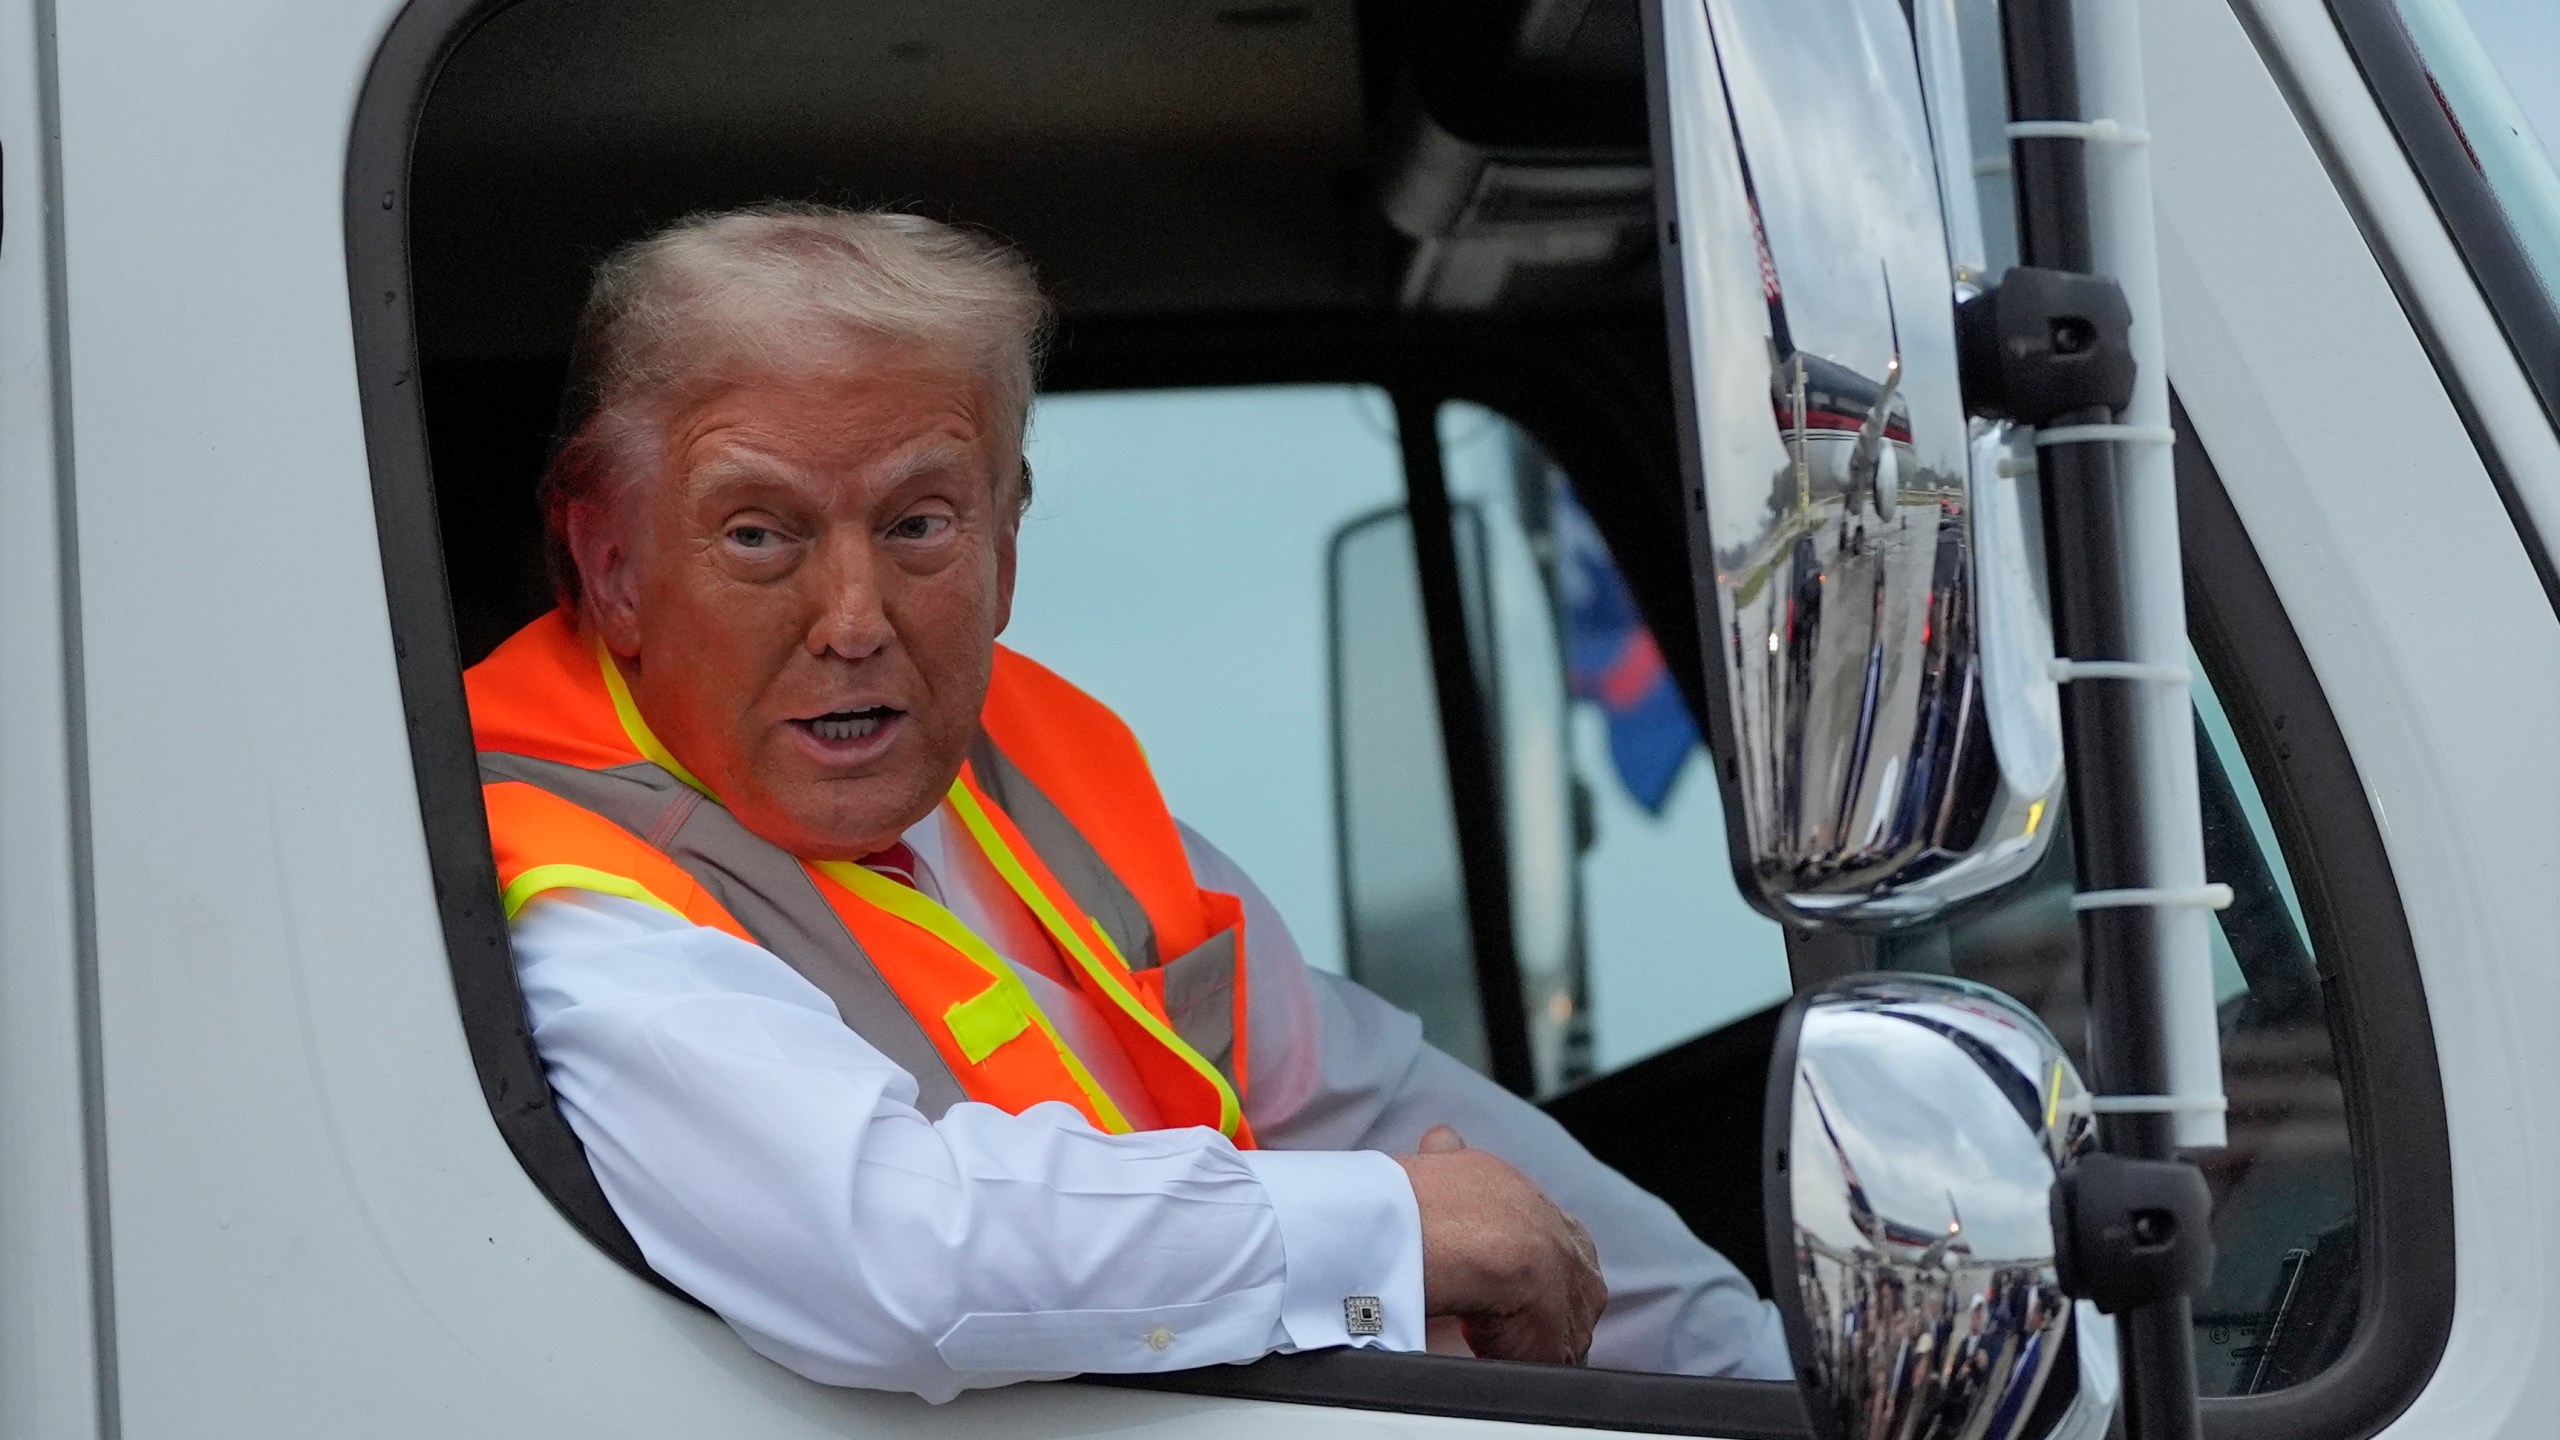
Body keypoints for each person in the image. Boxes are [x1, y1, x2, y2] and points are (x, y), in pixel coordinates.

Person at [466, 203, 1792, 1402]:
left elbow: (1371, 1099)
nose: (854, 620)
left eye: (921, 523)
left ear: (1007, 543)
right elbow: (900, 1257)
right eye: (761, 533)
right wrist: (1385, 1230)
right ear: (615, 567)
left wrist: (1760, 1385)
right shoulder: (561, 887)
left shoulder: (1042, 786)